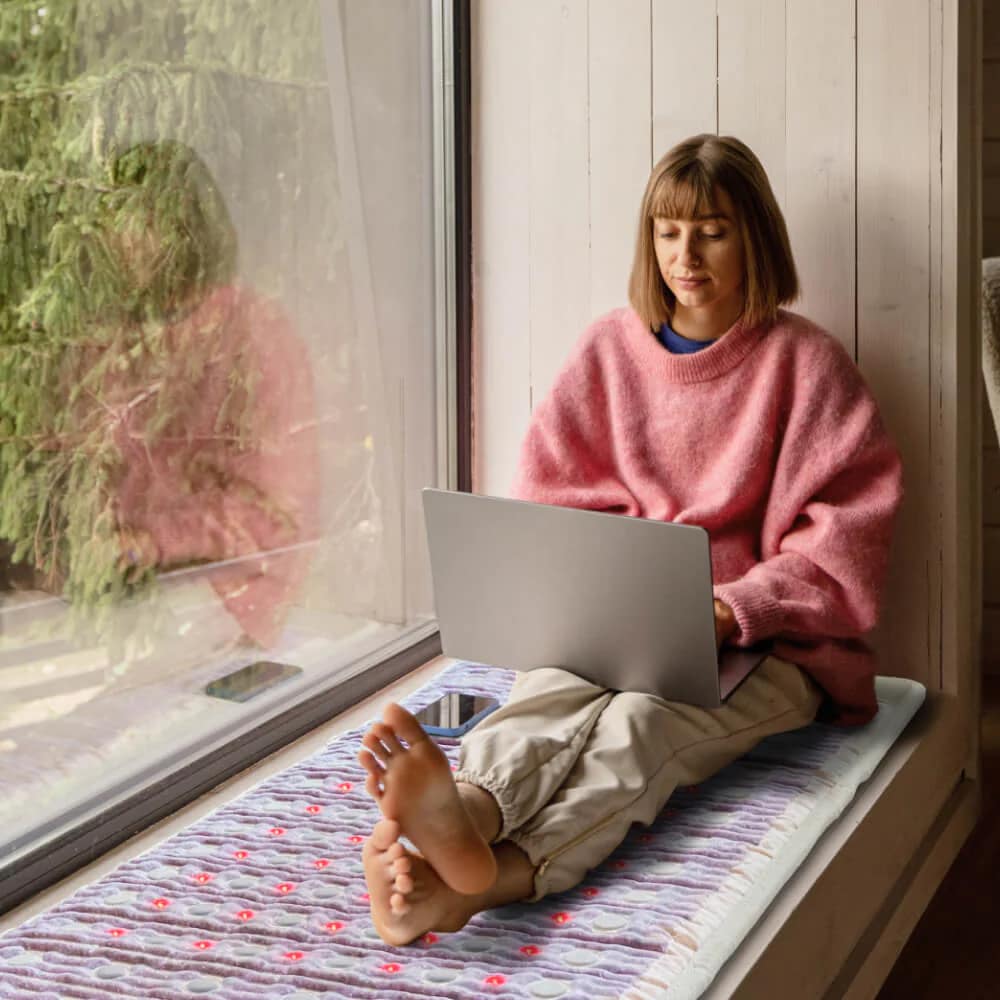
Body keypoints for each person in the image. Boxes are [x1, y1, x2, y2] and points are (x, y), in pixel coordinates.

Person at [356, 134, 904, 946]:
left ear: (754, 235)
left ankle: (482, 881)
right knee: (544, 699)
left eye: (712, 230)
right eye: (667, 230)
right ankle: (462, 815)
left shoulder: (808, 366)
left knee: (641, 730)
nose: (687, 254)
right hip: (610, 626)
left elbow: (843, 547)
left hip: (771, 649)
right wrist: (594, 600)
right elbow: (550, 501)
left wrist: (731, 608)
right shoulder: (607, 351)